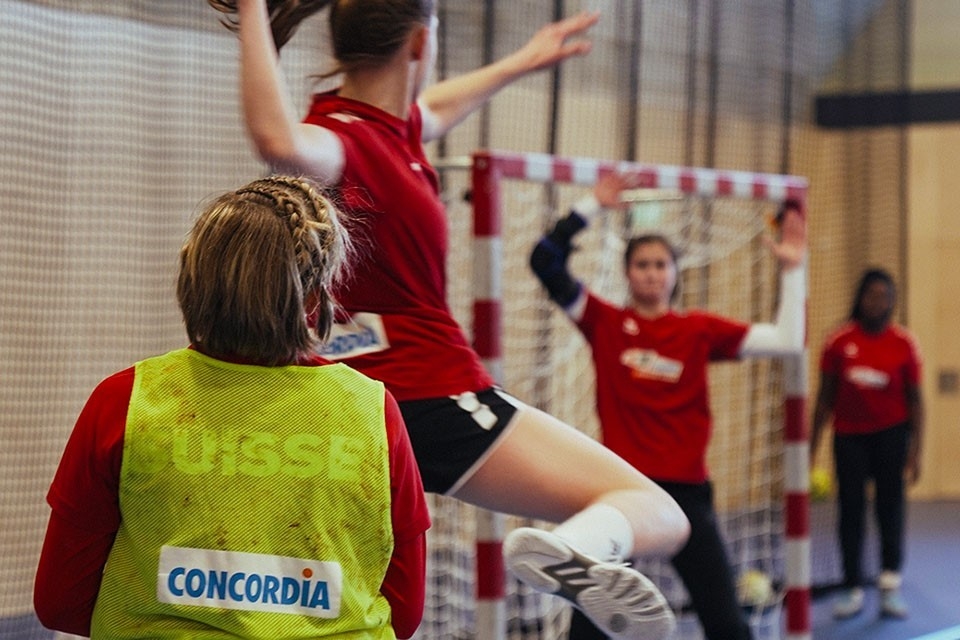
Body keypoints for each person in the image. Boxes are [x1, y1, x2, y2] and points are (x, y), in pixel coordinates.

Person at [206, 2, 692, 639]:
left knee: (340, 606)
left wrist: (524, 59)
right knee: (656, 509)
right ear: (419, 44)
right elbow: (276, 139)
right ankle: (573, 548)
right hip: (430, 400)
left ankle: (572, 554)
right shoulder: (341, 148)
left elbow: (434, 107)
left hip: (340, 408)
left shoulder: (385, 130)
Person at [34, 176, 431, 639]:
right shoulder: (371, 412)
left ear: (194, 280)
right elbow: (404, 611)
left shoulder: (125, 401)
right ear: (311, 295)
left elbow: (60, 602)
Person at [529, 173, 807, 640]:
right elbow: (543, 260)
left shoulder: (698, 331)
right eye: (642, 264)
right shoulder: (605, 323)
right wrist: (591, 205)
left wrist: (794, 268)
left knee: (726, 623)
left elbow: (787, 339)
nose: (652, 272)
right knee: (590, 624)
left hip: (686, 496)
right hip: (621, 490)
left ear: (675, 272)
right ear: (627, 271)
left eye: (661, 264)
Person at [810, 268, 924, 620]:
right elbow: (824, 399)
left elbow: (916, 401)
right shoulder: (839, 341)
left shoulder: (904, 343)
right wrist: (810, 449)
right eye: (871, 294)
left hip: (892, 436)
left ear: (893, 302)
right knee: (851, 512)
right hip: (850, 439)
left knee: (890, 509)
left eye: (885, 296)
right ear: (860, 298)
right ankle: (851, 587)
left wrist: (915, 450)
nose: (878, 301)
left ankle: (890, 585)